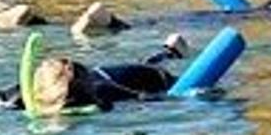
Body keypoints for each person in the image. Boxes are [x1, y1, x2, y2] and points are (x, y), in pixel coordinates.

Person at [26, 35, 192, 113]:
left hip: (155, 78)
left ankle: (169, 53)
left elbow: (145, 98)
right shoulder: (43, 92)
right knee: (142, 64)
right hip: (120, 74)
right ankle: (167, 53)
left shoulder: (101, 90)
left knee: (148, 68)